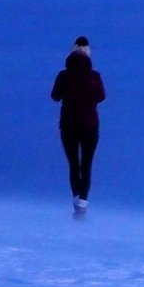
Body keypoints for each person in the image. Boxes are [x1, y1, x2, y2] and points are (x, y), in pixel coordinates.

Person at [51, 36, 105, 215]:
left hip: (68, 125)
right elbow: (101, 97)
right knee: (87, 164)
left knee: (73, 164)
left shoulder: (64, 75)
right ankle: (83, 201)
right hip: (90, 125)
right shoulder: (94, 76)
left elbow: (55, 96)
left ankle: (76, 199)